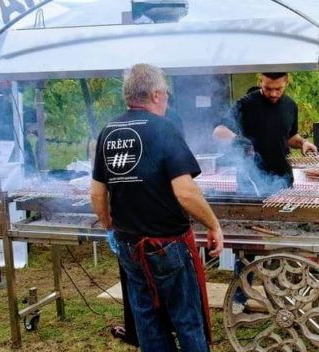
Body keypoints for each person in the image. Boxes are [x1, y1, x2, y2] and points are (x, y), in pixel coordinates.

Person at [91, 63, 223, 352]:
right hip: (168, 245)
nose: (166, 98)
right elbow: (185, 192)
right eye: (165, 93)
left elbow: (97, 193)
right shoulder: (164, 129)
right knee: (187, 319)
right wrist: (213, 225)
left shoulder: (108, 132)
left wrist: (110, 226)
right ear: (154, 94)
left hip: (129, 246)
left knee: (147, 319)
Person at [213, 73, 317, 314]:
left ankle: (283, 294)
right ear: (260, 80)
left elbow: (288, 135)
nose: (273, 93)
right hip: (251, 182)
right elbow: (218, 130)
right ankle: (240, 295)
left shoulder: (290, 105)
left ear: (287, 82)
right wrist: (237, 139)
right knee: (248, 245)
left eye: (278, 89)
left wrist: (302, 143)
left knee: (283, 240)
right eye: (268, 88)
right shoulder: (246, 104)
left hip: (282, 180)